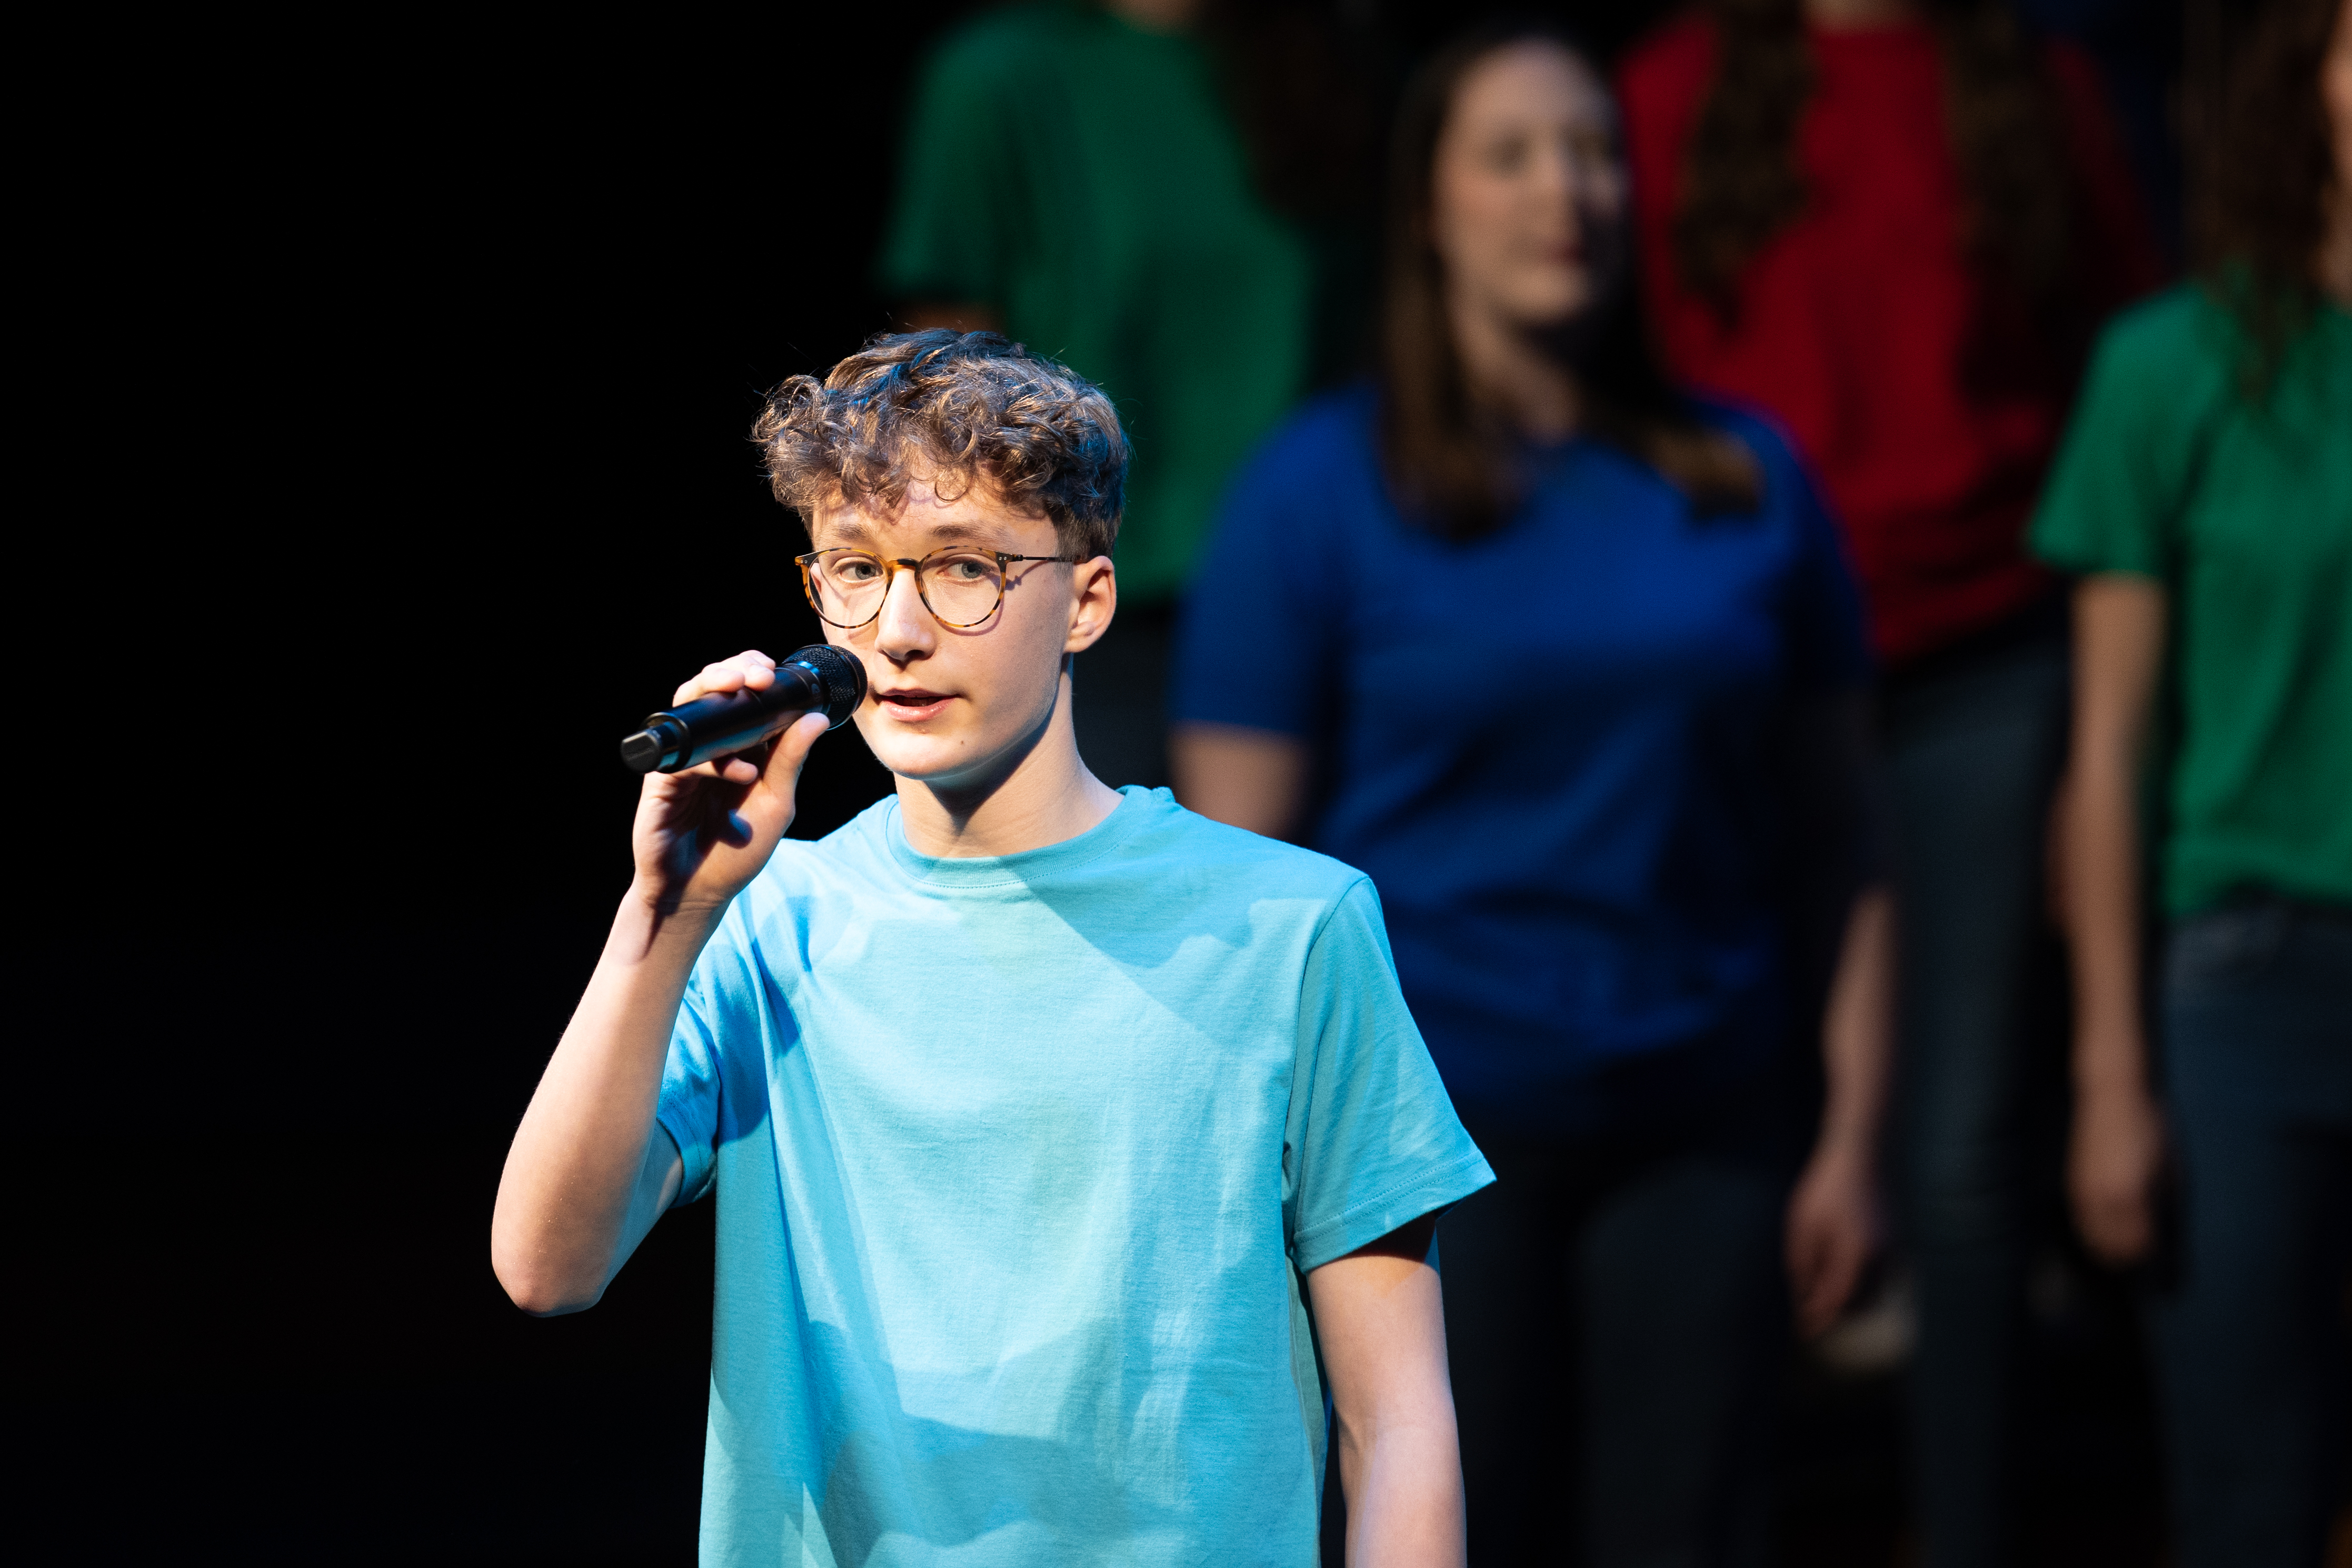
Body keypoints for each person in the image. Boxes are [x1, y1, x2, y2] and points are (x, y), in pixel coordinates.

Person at [490, 331, 1492, 1566]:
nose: (897, 629)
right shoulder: (768, 922)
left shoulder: (1290, 928)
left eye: (961, 569)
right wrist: (663, 916)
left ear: (1085, 600)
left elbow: (1394, 1419)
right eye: (855, 570)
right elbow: (546, 1264)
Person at [1170, 26, 1894, 1564]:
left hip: (1702, 1114)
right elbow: (1233, 884)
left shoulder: (1741, 478)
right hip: (1421, 1150)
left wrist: (1849, 1130)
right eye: (1509, 153)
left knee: (1681, 1527)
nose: (1562, 189)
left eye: (1592, 151)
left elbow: (1842, 840)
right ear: (1425, 206)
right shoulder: (1316, 492)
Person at [1615, 5, 2164, 1562]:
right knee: (1734, 1112)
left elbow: (2112, 365)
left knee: (1966, 1143)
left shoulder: (2035, 84)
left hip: (1981, 656)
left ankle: (1961, 1528)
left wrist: (2094, 756)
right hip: (1741, 657)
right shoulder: (1673, 90)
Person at [2036, 2, 2352, 1563]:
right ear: (2302, 80)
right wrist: (2109, 1074)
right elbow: (2105, 746)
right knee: (2248, 1497)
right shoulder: (2170, 366)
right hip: (2249, 974)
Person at [878, 0, 1359, 792]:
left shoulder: (1326, 70)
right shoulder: (1003, 79)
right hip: (1084, 610)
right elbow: (942, 400)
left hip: (1315, 599)